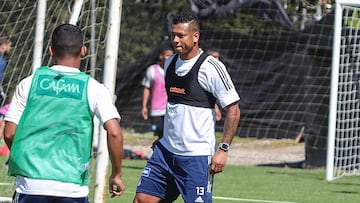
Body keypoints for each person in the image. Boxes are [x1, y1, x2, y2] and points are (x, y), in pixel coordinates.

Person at [4, 23, 125, 202]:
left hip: (31, 185)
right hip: (72, 187)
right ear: (83, 50)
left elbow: (9, 132)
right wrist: (116, 173)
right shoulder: (93, 88)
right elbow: (114, 132)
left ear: (51, 50)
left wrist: (30, 158)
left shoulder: (28, 83)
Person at [133, 11, 241, 203]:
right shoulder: (170, 62)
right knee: (142, 199)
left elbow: (233, 109)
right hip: (165, 153)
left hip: (196, 158)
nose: (175, 40)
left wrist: (223, 149)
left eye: (180, 36)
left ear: (195, 36)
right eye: (173, 35)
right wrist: (165, 138)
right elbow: (175, 106)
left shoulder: (211, 67)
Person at [141, 43, 174, 139]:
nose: (169, 58)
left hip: (171, 110)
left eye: (171, 55)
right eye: (167, 55)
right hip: (156, 111)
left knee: (170, 137)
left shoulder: (176, 70)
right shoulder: (152, 70)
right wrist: (144, 106)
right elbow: (147, 88)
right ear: (161, 56)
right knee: (160, 136)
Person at [0, 33, 12, 100]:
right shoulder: (2, 61)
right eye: (9, 46)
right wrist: (1, 93)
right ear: (3, 46)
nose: (10, 48)